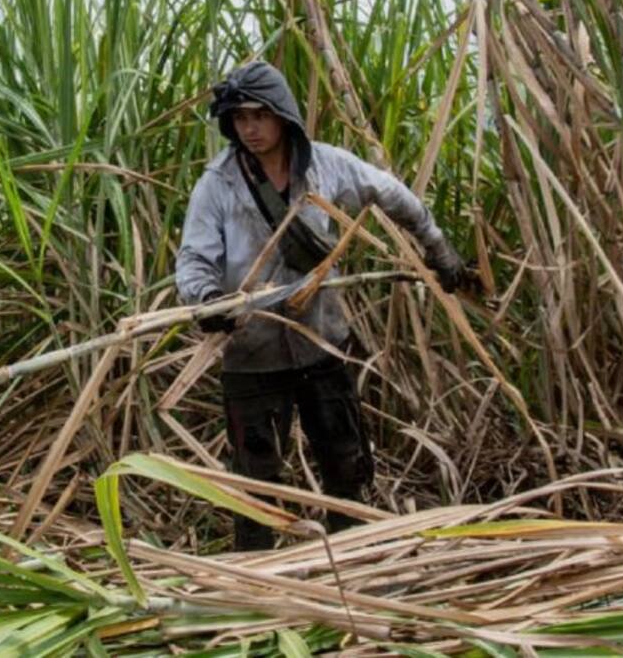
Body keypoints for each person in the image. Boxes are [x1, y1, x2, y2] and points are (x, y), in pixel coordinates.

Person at [175, 61, 471, 550]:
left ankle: (354, 565)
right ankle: (255, 584)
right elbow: (194, 260)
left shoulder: (327, 167)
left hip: (323, 346)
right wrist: (208, 302)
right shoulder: (218, 184)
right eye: (239, 118)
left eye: (259, 116)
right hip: (253, 355)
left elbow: (397, 198)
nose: (249, 128)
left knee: (345, 463)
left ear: (283, 116)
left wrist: (438, 251)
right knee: (255, 481)